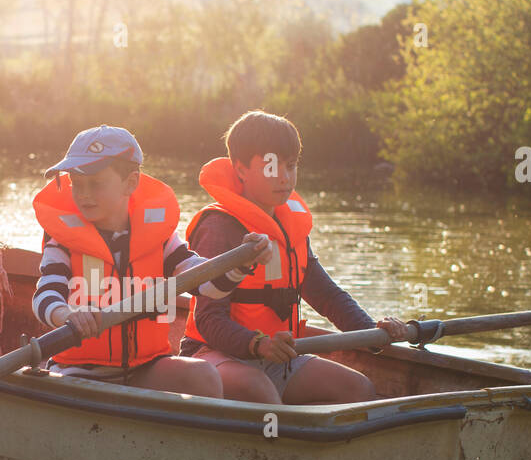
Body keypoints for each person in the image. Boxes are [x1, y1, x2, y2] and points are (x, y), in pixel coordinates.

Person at [180, 110, 409, 404]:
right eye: (272, 167)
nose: (285, 178)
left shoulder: (290, 230)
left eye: (290, 166)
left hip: (276, 355)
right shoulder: (219, 227)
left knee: (359, 390)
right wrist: (257, 344)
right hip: (213, 354)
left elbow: (327, 296)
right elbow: (209, 319)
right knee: (261, 393)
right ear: (240, 169)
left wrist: (374, 333)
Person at [33, 125, 271, 397]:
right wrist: (67, 315)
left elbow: (208, 287)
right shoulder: (62, 240)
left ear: (131, 182)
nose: (84, 194)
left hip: (146, 368)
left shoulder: (160, 238)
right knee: (77, 394)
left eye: (95, 183)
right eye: (77, 183)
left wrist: (242, 263)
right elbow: (44, 296)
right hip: (79, 370)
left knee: (204, 376)